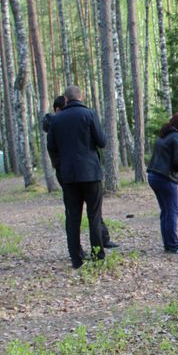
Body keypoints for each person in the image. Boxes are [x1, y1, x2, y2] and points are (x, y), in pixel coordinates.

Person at [43, 95, 116, 256]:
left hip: (70, 175)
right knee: (91, 215)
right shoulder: (86, 114)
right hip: (87, 172)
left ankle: (79, 253)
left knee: (75, 215)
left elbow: (52, 148)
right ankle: (96, 253)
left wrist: (61, 167)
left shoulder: (57, 121)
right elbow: (102, 141)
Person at [147, 113, 178, 254]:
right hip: (165, 178)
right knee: (171, 211)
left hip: (153, 176)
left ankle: (168, 243)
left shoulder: (164, 134)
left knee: (165, 211)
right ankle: (173, 244)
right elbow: (177, 161)